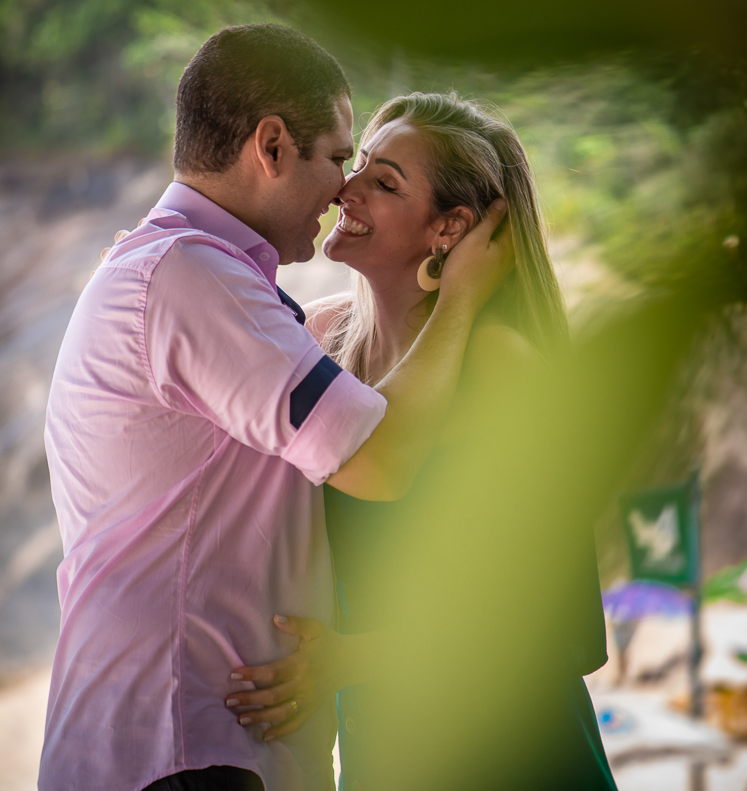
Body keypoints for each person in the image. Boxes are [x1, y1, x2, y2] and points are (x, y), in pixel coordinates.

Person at [39, 26, 510, 791]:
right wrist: (461, 299)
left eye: (371, 176)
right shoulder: (193, 276)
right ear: (272, 147)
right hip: (186, 749)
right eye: (336, 157)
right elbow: (380, 459)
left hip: (181, 744)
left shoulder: (189, 272)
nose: (342, 189)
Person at [223, 93, 618, 791]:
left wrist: (354, 659)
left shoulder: (500, 366)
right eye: (360, 166)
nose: (347, 187)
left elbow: (560, 625)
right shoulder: (321, 340)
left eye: (385, 181)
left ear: (450, 228)